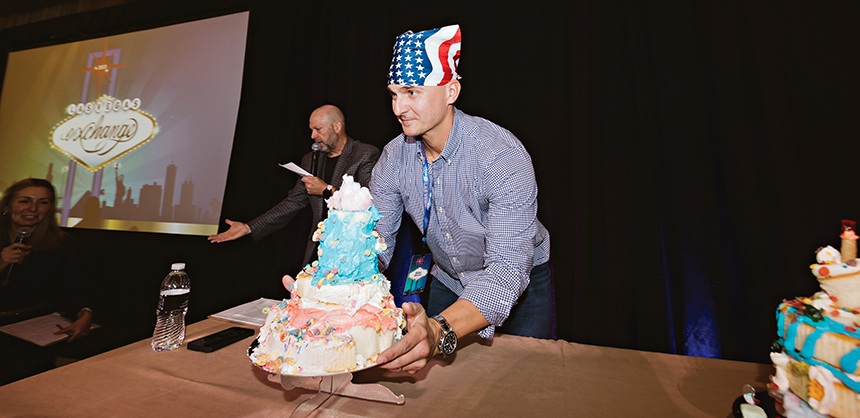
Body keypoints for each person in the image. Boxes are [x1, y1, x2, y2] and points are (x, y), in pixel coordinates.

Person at [371, 25, 553, 374]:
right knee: (447, 385)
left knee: (526, 382)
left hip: (522, 282)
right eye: (394, 94)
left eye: (411, 92)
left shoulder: (500, 155)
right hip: (448, 277)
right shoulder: (393, 158)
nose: (399, 107)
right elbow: (376, 241)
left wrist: (439, 329)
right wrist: (332, 287)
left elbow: (506, 271)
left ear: (451, 90)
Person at [208, 105, 380, 267]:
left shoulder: (364, 154)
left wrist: (327, 190)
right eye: (311, 130)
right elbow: (293, 202)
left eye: (318, 129)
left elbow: (369, 203)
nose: (312, 136)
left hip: (353, 249)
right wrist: (248, 227)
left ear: (337, 126)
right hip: (318, 249)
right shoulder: (310, 160)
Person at [0, 178, 94, 385]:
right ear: (7, 206)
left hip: (30, 334)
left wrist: (84, 312)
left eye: (43, 202)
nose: (33, 208)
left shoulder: (61, 244)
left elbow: (71, 289)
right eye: (24, 201)